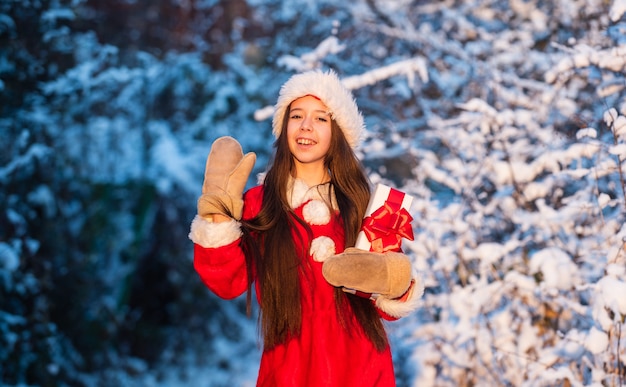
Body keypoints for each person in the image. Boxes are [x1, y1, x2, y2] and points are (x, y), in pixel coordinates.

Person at [189, 69, 422, 386]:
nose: (306, 126)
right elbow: (227, 282)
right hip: (288, 371)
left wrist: (392, 280)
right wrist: (217, 221)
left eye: (321, 119)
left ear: (337, 132)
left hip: (363, 370)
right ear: (284, 126)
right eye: (296, 115)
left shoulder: (366, 204)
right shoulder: (260, 203)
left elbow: (390, 306)